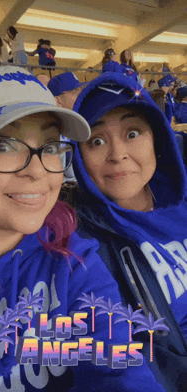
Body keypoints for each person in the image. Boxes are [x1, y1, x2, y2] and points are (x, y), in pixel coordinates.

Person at [0, 66, 165, 391]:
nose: (37, 170)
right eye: (2, 145)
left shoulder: (73, 260)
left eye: (49, 145)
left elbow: (119, 367)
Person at [71, 72, 187, 392]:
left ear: (158, 140)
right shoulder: (82, 247)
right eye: (96, 140)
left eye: (132, 132)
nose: (118, 154)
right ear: (78, 158)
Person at [48, 72, 87, 184]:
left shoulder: (77, 124)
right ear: (57, 100)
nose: (80, 97)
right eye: (75, 93)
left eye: (80, 92)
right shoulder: (51, 132)